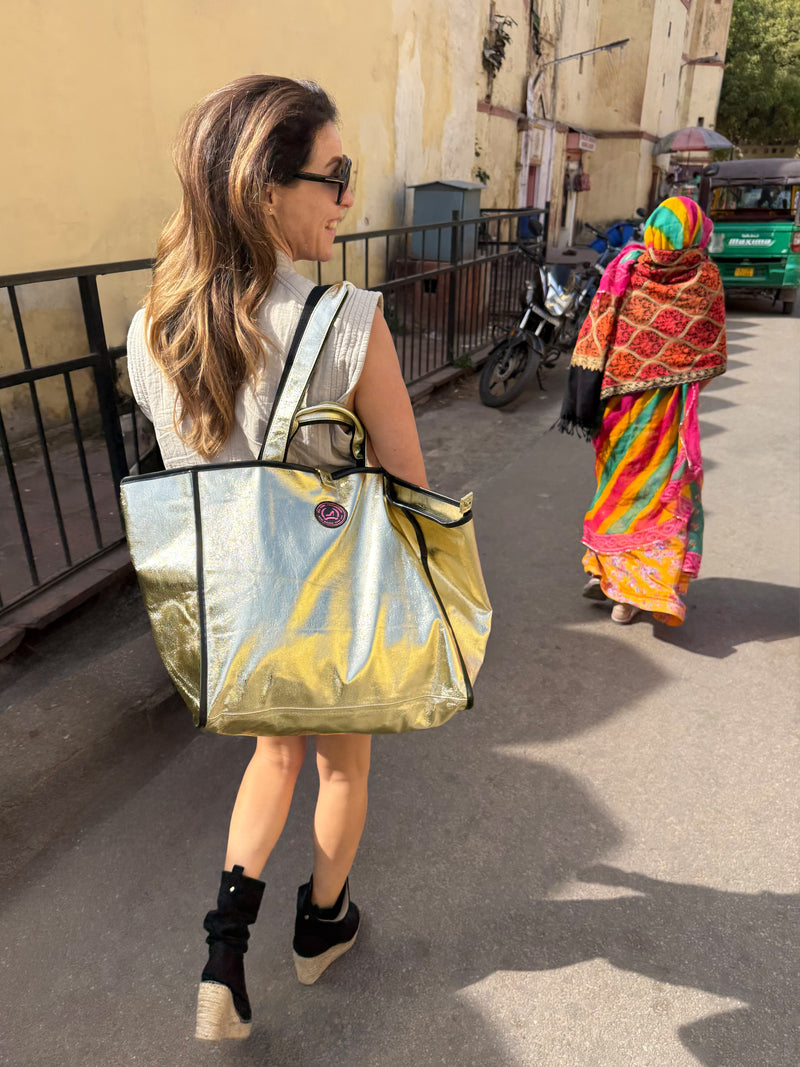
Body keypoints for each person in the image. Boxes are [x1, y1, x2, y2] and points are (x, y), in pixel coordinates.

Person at [126, 75, 428, 1040]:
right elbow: (410, 487)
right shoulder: (349, 322)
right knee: (342, 768)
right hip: (331, 592)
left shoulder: (153, 326)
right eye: (334, 176)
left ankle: (224, 951)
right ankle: (320, 925)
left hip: (232, 599)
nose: (348, 197)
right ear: (265, 189)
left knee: (273, 751)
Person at [557, 196, 727, 626]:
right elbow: (709, 354)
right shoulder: (704, 278)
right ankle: (633, 590)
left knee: (618, 491)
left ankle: (610, 576)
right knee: (656, 498)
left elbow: (598, 328)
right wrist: (675, 379)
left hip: (619, 408)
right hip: (667, 416)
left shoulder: (627, 268)